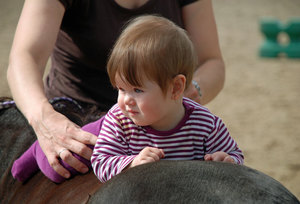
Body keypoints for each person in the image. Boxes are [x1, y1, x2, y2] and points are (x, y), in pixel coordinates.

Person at [7, 0, 225, 180]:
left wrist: (183, 96)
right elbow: (24, 57)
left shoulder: (205, 123)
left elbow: (211, 61)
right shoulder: (114, 118)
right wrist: (45, 119)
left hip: (161, 112)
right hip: (74, 117)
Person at [91, 15, 243, 183]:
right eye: (121, 89)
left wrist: (227, 160)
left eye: (137, 90)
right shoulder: (119, 120)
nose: (126, 100)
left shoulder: (205, 124)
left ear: (176, 87)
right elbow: (100, 161)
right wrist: (132, 163)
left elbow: (236, 156)